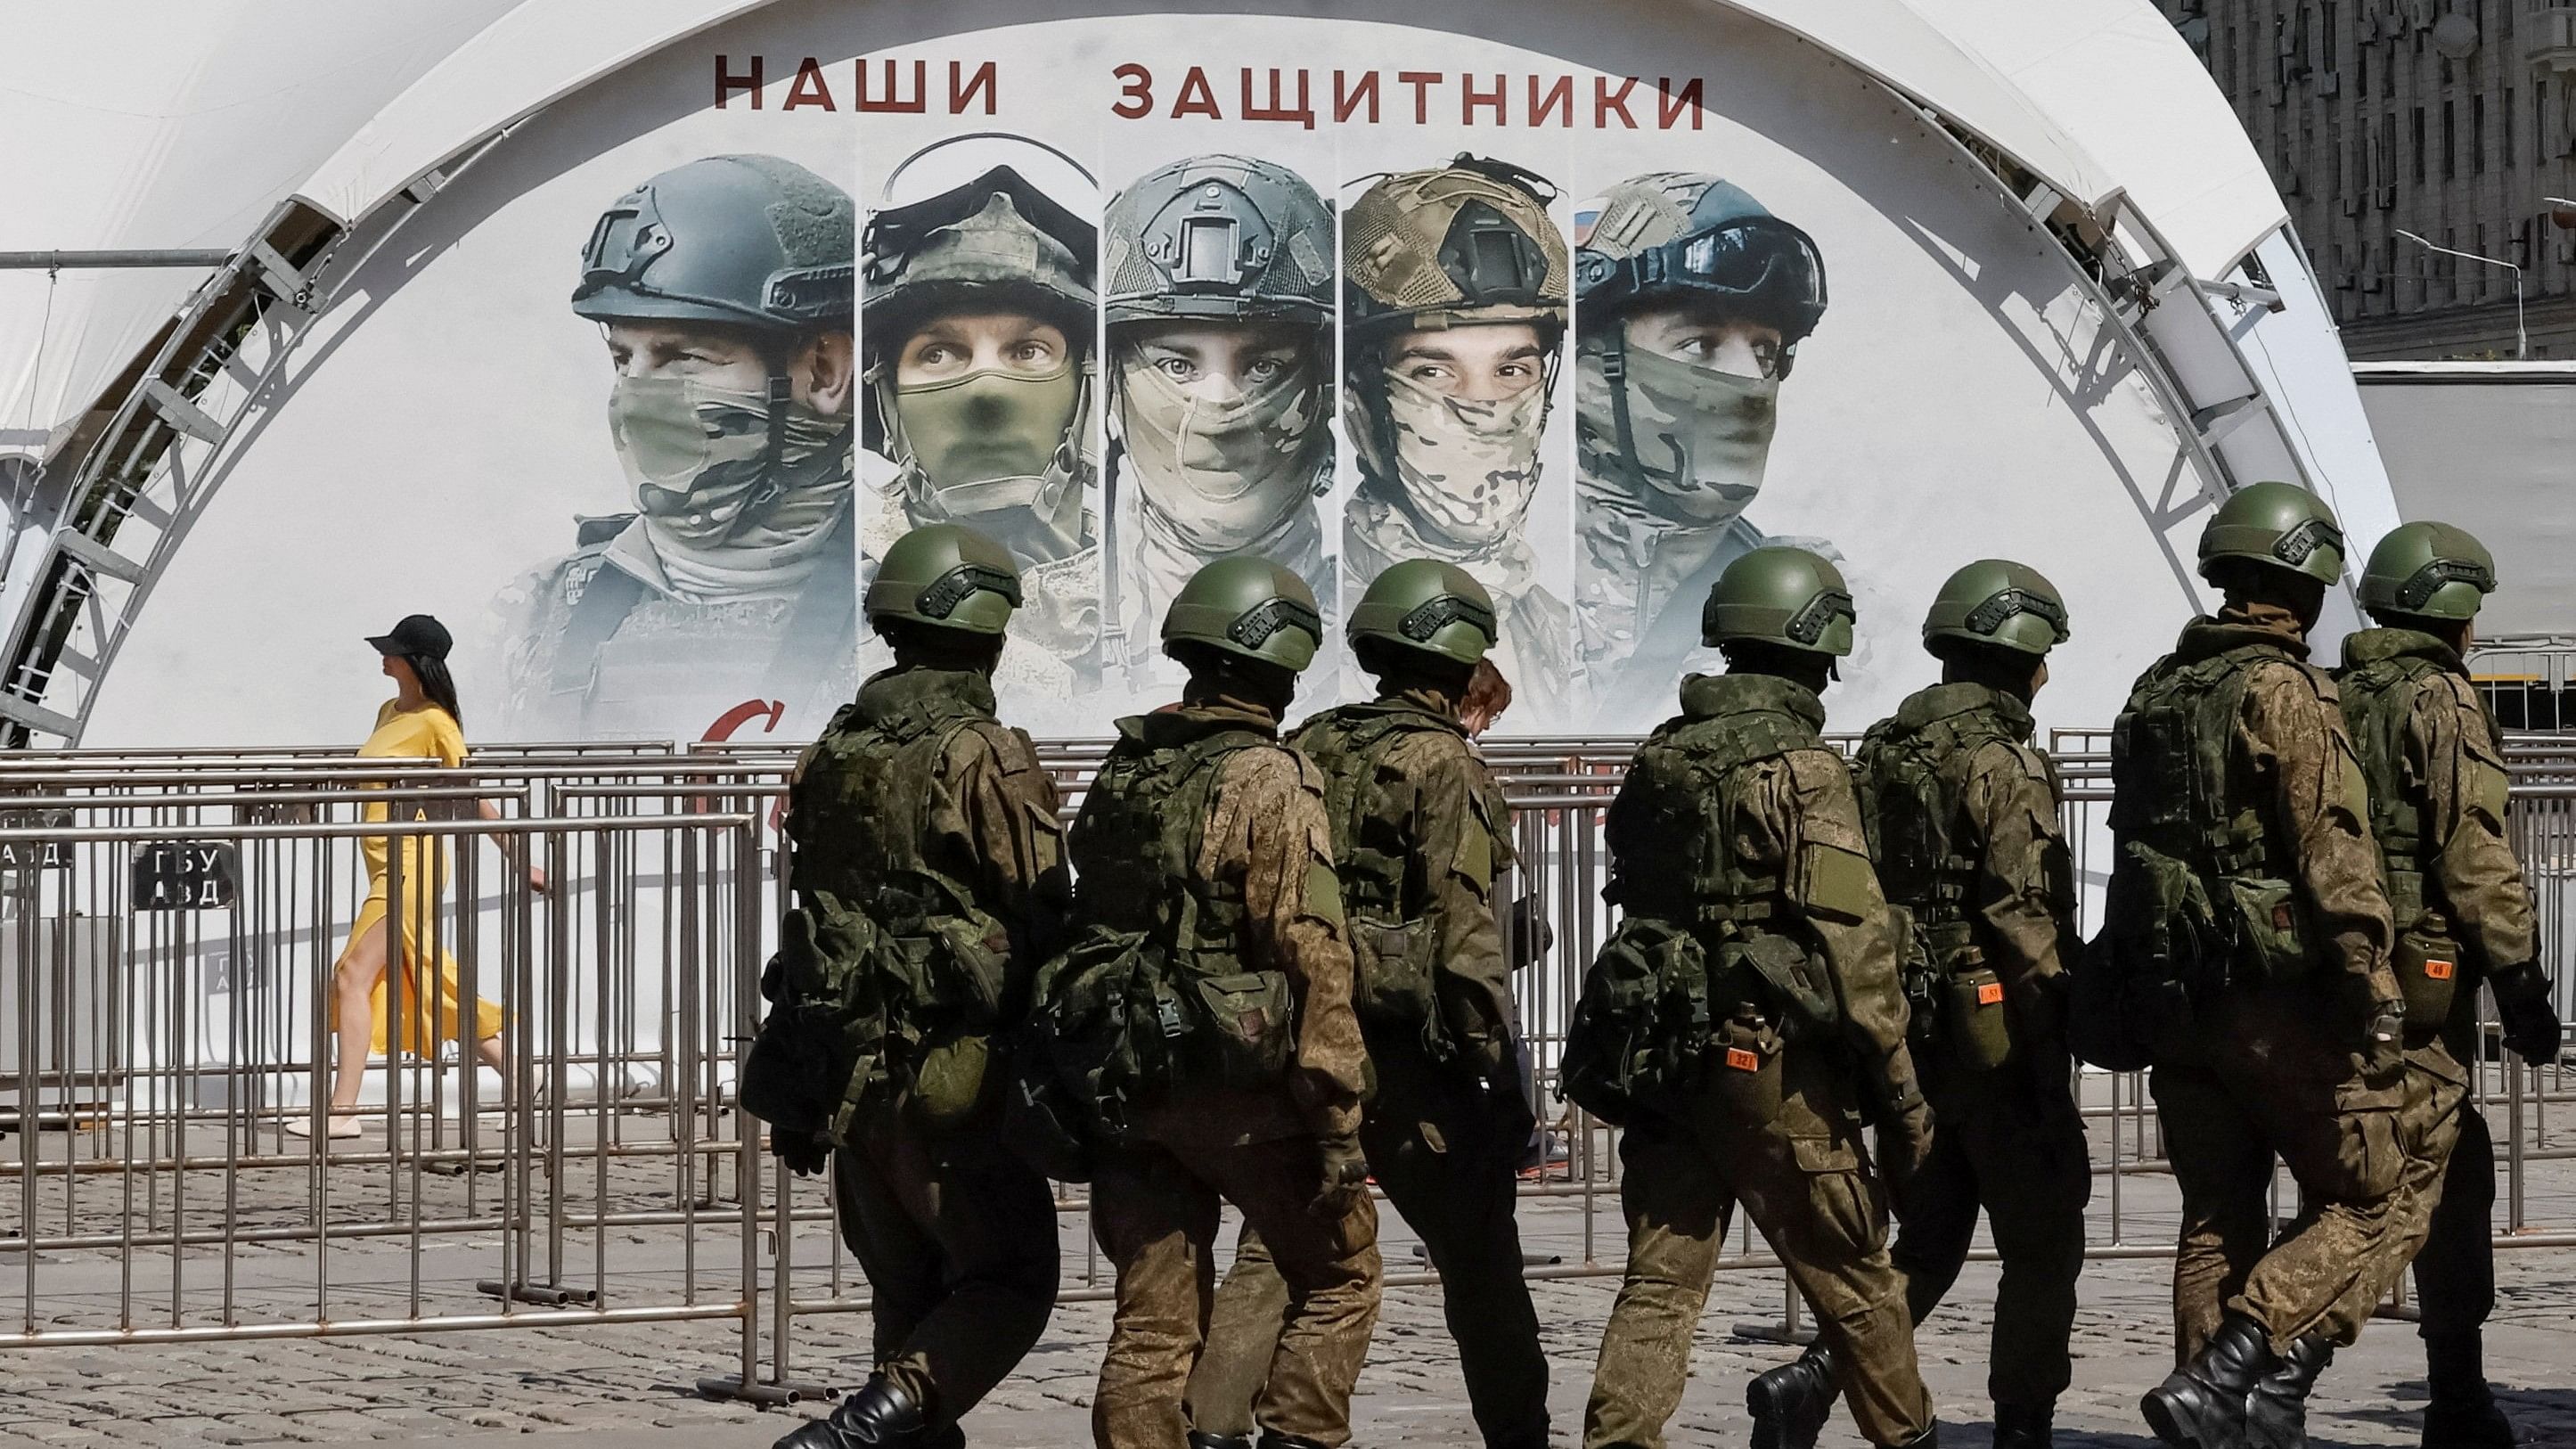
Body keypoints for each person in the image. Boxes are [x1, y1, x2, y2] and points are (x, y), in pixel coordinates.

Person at [2084, 481, 2439, 1449]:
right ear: (2308, 586)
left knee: (2214, 1213)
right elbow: (2328, 839)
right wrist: (2369, 976)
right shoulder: (2281, 688)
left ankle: (2208, 1418)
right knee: (2369, 1193)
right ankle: (2233, 1364)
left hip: (2173, 989)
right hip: (2272, 993)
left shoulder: (2156, 687)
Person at [1562, 546, 1939, 1449]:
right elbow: (1854, 945)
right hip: (1768, 1066)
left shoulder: (1663, 756)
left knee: (1659, 1281)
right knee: (1856, 1281)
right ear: (1815, 646)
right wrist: (1900, 1096)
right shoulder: (1804, 769)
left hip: (1667, 1055)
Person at [1184, 561, 1546, 1449]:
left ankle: (1208, 1429)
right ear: (1461, 659)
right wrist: (1495, 1067)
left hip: (1305, 1040)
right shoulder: (1443, 764)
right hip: (1413, 1057)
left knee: (1276, 1255)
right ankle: (1518, 1437)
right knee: (1481, 1270)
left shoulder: (1307, 741)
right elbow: (1465, 936)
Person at [1027, 557, 1378, 1449]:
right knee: (1340, 1277)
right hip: (1242, 1092)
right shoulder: (1271, 776)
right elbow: (1312, 950)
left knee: (1152, 1324)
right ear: (1284, 664)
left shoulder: (1131, 765)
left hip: (1129, 1084)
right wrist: (1336, 1118)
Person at [1753, 561, 2088, 1449]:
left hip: (1906, 1024)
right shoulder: (2004, 763)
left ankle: (1816, 1377)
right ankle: (2023, 1429)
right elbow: (2022, 913)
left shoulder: (1884, 752)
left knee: (1932, 1231)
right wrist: (2059, 1020)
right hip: (1995, 1032)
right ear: (2019, 654)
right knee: (2042, 1240)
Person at [748, 524, 1070, 1449]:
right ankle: (854, 1431)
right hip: (948, 1069)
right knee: (1009, 1279)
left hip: (843, 1060)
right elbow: (1040, 903)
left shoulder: (838, 745)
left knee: (908, 1296)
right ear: (985, 629)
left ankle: (886, 1427)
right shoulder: (981, 752)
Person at [497, 153, 861, 742]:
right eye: (623, 360)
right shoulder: (538, 612)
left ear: (823, 373)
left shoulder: (922, 623)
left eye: (682, 358)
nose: (636, 394)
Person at [2336, 522, 2562, 1449]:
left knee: (2344, 1177)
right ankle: (2454, 1401)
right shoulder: (2438, 697)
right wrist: (2519, 983)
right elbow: (2471, 854)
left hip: (2332, 981)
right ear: (2452, 610)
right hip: (2420, 989)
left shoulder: (2326, 694)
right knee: (2444, 1185)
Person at [1569, 173, 1829, 719]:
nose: (1750, 381)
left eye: (1765, 351)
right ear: (1591, 361)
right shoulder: (1508, 586)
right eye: (1698, 344)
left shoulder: (1821, 602)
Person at [292, 615, 545, 1139]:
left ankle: (343, 1112)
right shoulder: (389, 710)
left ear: (415, 663)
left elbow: (471, 794)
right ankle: (522, 1078)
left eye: (393, 651)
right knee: (424, 980)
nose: (382, 657)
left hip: (412, 865)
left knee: (351, 977)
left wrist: (519, 859)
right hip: (384, 862)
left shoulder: (437, 722)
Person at [858, 157, 1101, 699]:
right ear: (887, 394)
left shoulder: (1148, 591)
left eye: (1028, 350)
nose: (988, 390)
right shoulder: (832, 601)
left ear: (1086, 385)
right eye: (939, 353)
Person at [1342, 154, 1573, 705]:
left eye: (1512, 370)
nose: (1483, 406)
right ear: (1361, 398)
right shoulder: (1302, 642)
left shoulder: (1566, 645)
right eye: (1433, 372)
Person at [1101, 155, 1337, 694]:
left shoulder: (1370, 640)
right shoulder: (1051, 640)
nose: (1219, 408)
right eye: (1176, 366)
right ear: (1114, 383)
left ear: (1323, 388)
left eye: (1263, 367)